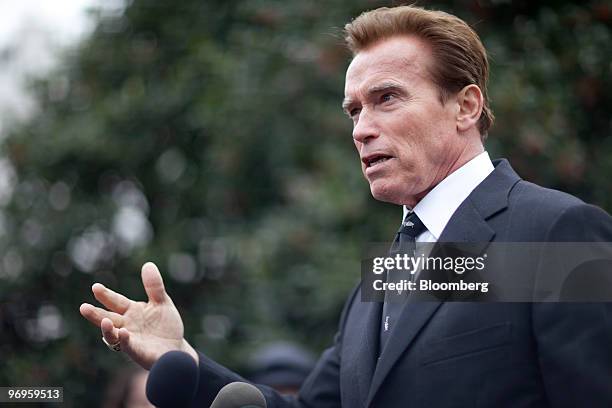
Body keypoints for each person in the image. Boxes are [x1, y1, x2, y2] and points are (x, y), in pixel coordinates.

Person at [80, 5, 612, 407]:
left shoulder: (556, 233)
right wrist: (185, 360)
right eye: (353, 110)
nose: (361, 129)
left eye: (387, 98)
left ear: (465, 106)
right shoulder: (384, 278)